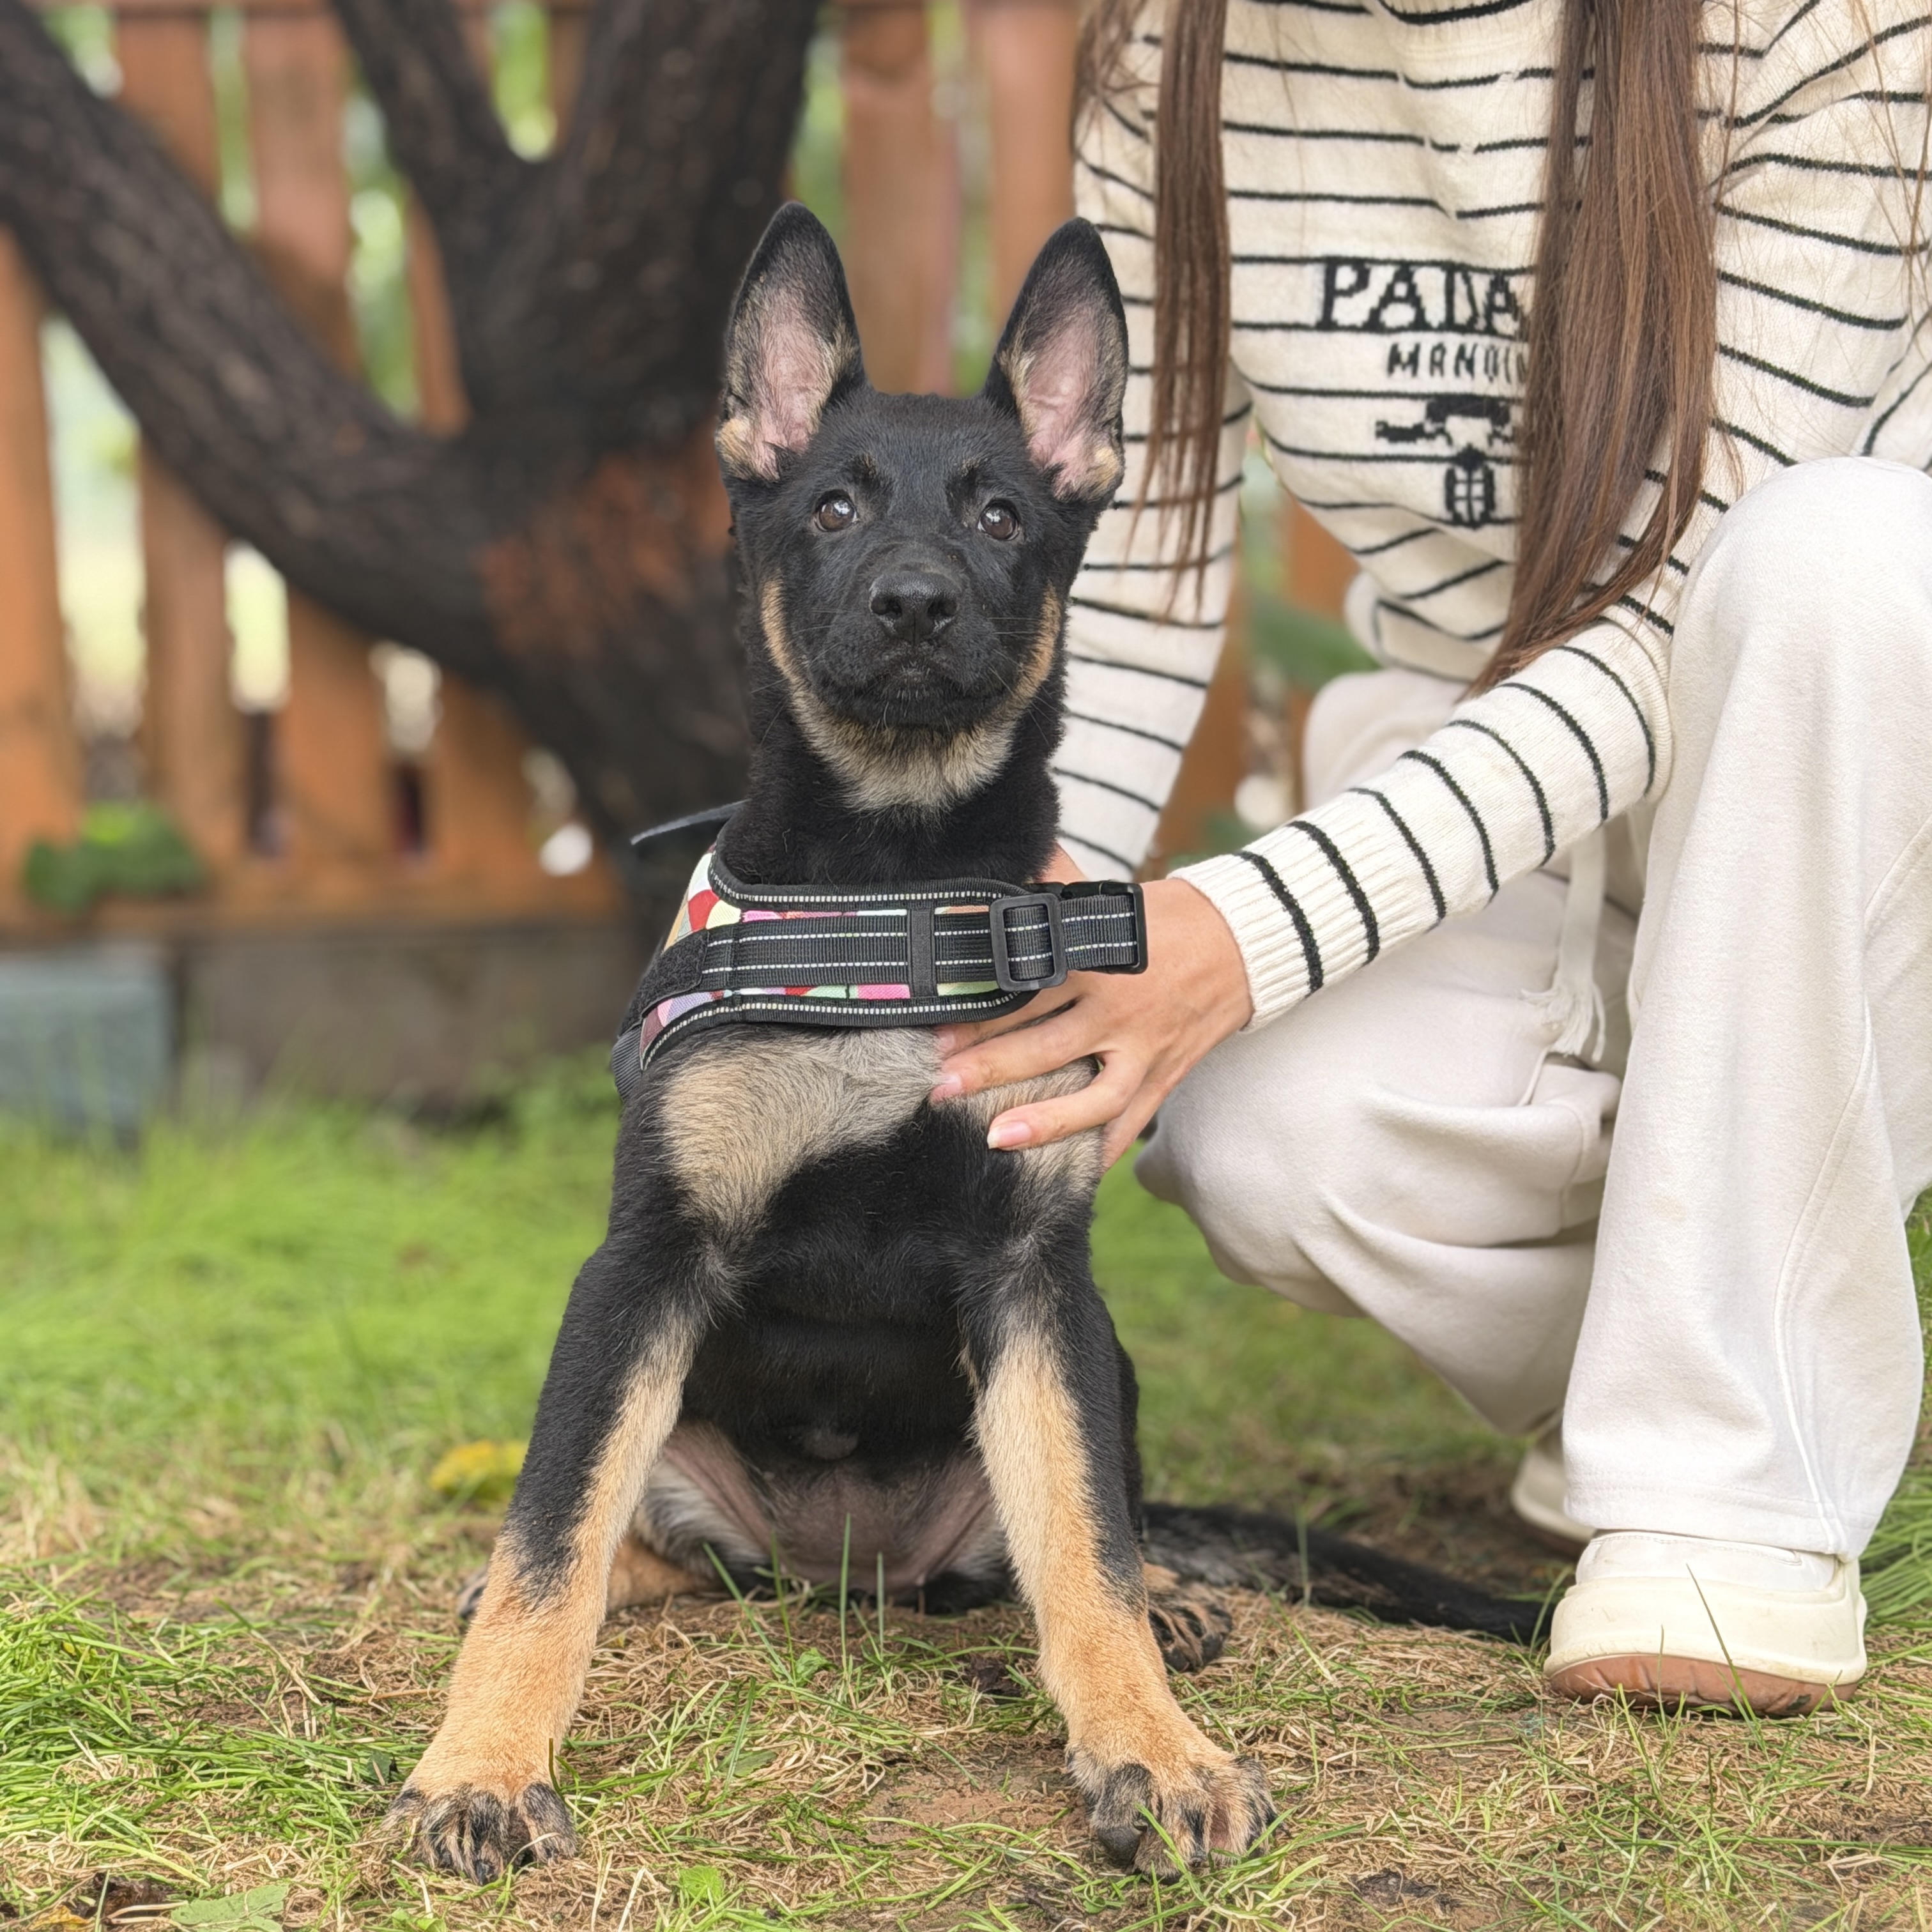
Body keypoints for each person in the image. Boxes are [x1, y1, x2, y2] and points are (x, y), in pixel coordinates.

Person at [929, 0, 1932, 1714]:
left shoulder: (1822, 27)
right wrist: (998, 945)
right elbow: (1138, 578)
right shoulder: (1175, 48)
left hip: (1854, 777)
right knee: (1263, 1137)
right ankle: (1673, 1350)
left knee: (1837, 561)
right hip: (1495, 776)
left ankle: (1730, 1486)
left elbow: (1666, 625)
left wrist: (1245, 928)